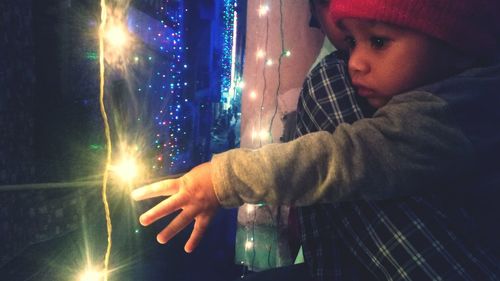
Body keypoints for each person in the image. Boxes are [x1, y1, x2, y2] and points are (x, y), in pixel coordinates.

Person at [132, 0, 500, 280]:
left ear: (456, 49)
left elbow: (342, 157)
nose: (355, 61)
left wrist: (222, 179)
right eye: (352, 43)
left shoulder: (456, 107)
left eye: (378, 41)